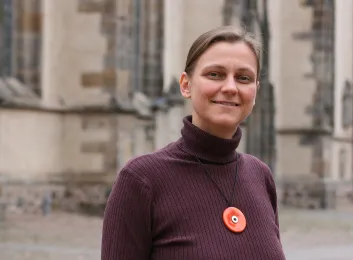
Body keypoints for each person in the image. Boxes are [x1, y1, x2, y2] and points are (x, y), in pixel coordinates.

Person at [101, 25, 286, 260]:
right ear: (186, 85)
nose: (230, 87)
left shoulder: (260, 176)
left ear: (256, 90)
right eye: (215, 74)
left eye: (244, 78)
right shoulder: (142, 180)